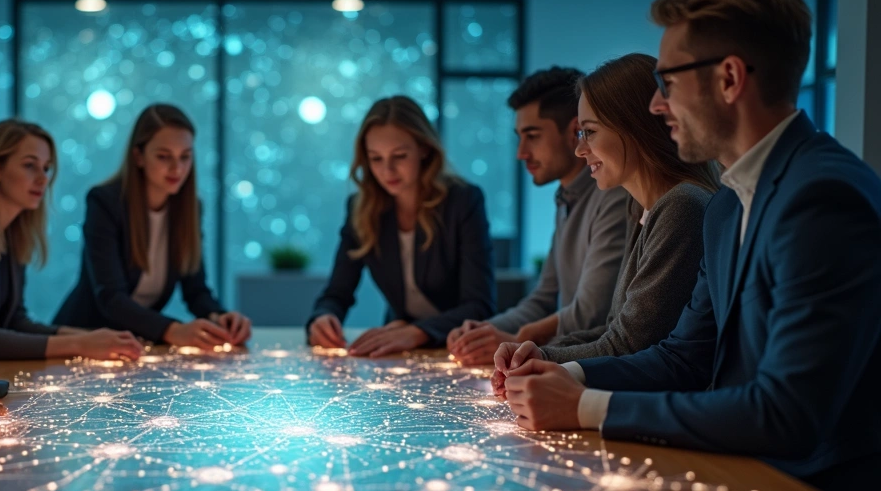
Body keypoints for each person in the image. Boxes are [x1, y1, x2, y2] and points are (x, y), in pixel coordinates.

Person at [497, 0, 881, 491]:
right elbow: (683, 355)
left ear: (728, 78)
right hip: (744, 473)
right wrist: (568, 375)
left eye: (667, 82)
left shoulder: (822, 196)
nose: (657, 104)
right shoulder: (726, 205)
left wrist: (585, 406)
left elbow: (787, 414)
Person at [496, 54, 718, 368]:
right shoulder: (640, 206)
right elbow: (615, 329)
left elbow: (629, 344)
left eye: (590, 132)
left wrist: (544, 358)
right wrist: (536, 352)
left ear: (634, 126)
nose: (579, 149)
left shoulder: (681, 205)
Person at [0, 119, 144, 361]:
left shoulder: (10, 232)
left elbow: (15, 320)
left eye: (46, 168)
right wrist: (81, 343)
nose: (42, 179)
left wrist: (90, 337)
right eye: (29, 166)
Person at [448, 68, 629, 365]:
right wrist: (488, 331)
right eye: (519, 137)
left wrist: (517, 340)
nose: (521, 153)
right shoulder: (566, 198)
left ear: (574, 132)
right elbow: (544, 297)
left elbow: (591, 312)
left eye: (532, 136)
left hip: (591, 369)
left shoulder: (614, 195)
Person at [308, 96, 496, 357]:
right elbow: (337, 292)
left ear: (424, 149)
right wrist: (323, 317)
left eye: (399, 155)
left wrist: (417, 331)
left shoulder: (463, 201)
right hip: (398, 351)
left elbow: (479, 306)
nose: (388, 170)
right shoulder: (361, 208)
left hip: (458, 347)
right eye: (375, 159)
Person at [54, 104, 251, 347]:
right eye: (163, 156)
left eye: (185, 157)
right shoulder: (105, 202)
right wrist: (173, 330)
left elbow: (195, 290)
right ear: (138, 156)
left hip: (138, 345)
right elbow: (111, 297)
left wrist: (220, 317)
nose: (177, 168)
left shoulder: (189, 209)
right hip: (86, 339)